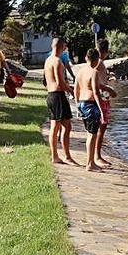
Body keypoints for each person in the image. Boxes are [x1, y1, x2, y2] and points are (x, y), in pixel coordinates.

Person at [73, 48, 115, 172]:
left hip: (81, 103)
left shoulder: (80, 72)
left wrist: (77, 106)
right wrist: (101, 109)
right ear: (97, 60)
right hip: (91, 105)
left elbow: (76, 89)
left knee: (89, 134)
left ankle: (90, 161)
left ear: (86, 58)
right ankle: (90, 164)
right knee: (93, 135)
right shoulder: (94, 72)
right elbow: (96, 93)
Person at [45, 37, 78, 165]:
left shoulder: (48, 61)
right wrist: (71, 91)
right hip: (58, 96)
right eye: (65, 46)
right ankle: (65, 156)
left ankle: (56, 156)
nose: (65, 48)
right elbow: (60, 82)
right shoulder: (58, 61)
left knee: (57, 126)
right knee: (65, 127)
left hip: (51, 95)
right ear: (62, 46)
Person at [93, 39, 119, 168]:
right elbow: (95, 81)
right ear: (106, 51)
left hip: (99, 97)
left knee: (99, 129)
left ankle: (97, 156)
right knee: (101, 129)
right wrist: (109, 89)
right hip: (102, 99)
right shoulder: (99, 63)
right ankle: (97, 156)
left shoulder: (96, 62)